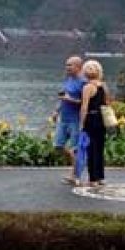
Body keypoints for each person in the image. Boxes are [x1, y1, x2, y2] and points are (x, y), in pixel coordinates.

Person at [54, 56, 85, 184]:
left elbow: (84, 103)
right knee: (58, 146)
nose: (67, 68)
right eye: (66, 65)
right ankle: (78, 165)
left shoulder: (83, 82)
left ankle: (75, 175)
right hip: (64, 118)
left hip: (75, 120)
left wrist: (70, 99)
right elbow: (63, 96)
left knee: (74, 149)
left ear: (78, 66)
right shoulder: (68, 79)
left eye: (70, 65)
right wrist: (57, 110)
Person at [79, 59, 109, 187]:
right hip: (101, 119)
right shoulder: (103, 86)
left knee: (91, 149)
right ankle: (101, 177)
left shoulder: (87, 87)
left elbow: (84, 107)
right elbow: (107, 103)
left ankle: (93, 179)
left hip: (91, 119)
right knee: (100, 148)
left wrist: (82, 122)